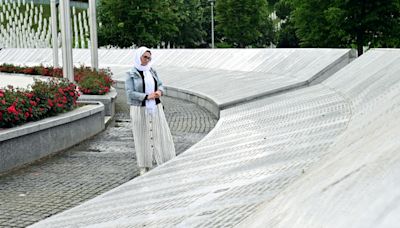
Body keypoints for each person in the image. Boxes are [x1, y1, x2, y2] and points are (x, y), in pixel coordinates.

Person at [125, 46, 176, 175]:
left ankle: (163, 160)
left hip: (155, 108)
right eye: (145, 57)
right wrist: (147, 96)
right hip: (139, 109)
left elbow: (160, 84)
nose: (147, 60)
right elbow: (130, 93)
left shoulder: (152, 71)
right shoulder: (131, 74)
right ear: (139, 57)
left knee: (160, 133)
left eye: (149, 58)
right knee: (142, 136)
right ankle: (144, 165)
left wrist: (160, 91)